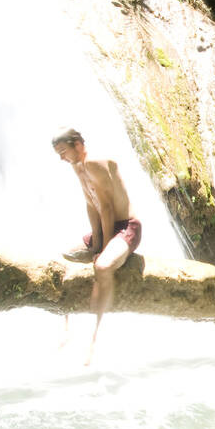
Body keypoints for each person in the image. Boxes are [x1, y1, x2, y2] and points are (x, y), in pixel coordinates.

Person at [52, 127, 142, 365]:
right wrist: (94, 242)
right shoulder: (77, 166)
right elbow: (91, 206)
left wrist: (101, 250)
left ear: (78, 145)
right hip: (104, 227)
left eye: (63, 152)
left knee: (102, 267)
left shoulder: (93, 162)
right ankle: (66, 331)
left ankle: (95, 339)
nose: (61, 158)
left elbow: (107, 208)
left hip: (126, 228)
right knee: (63, 259)